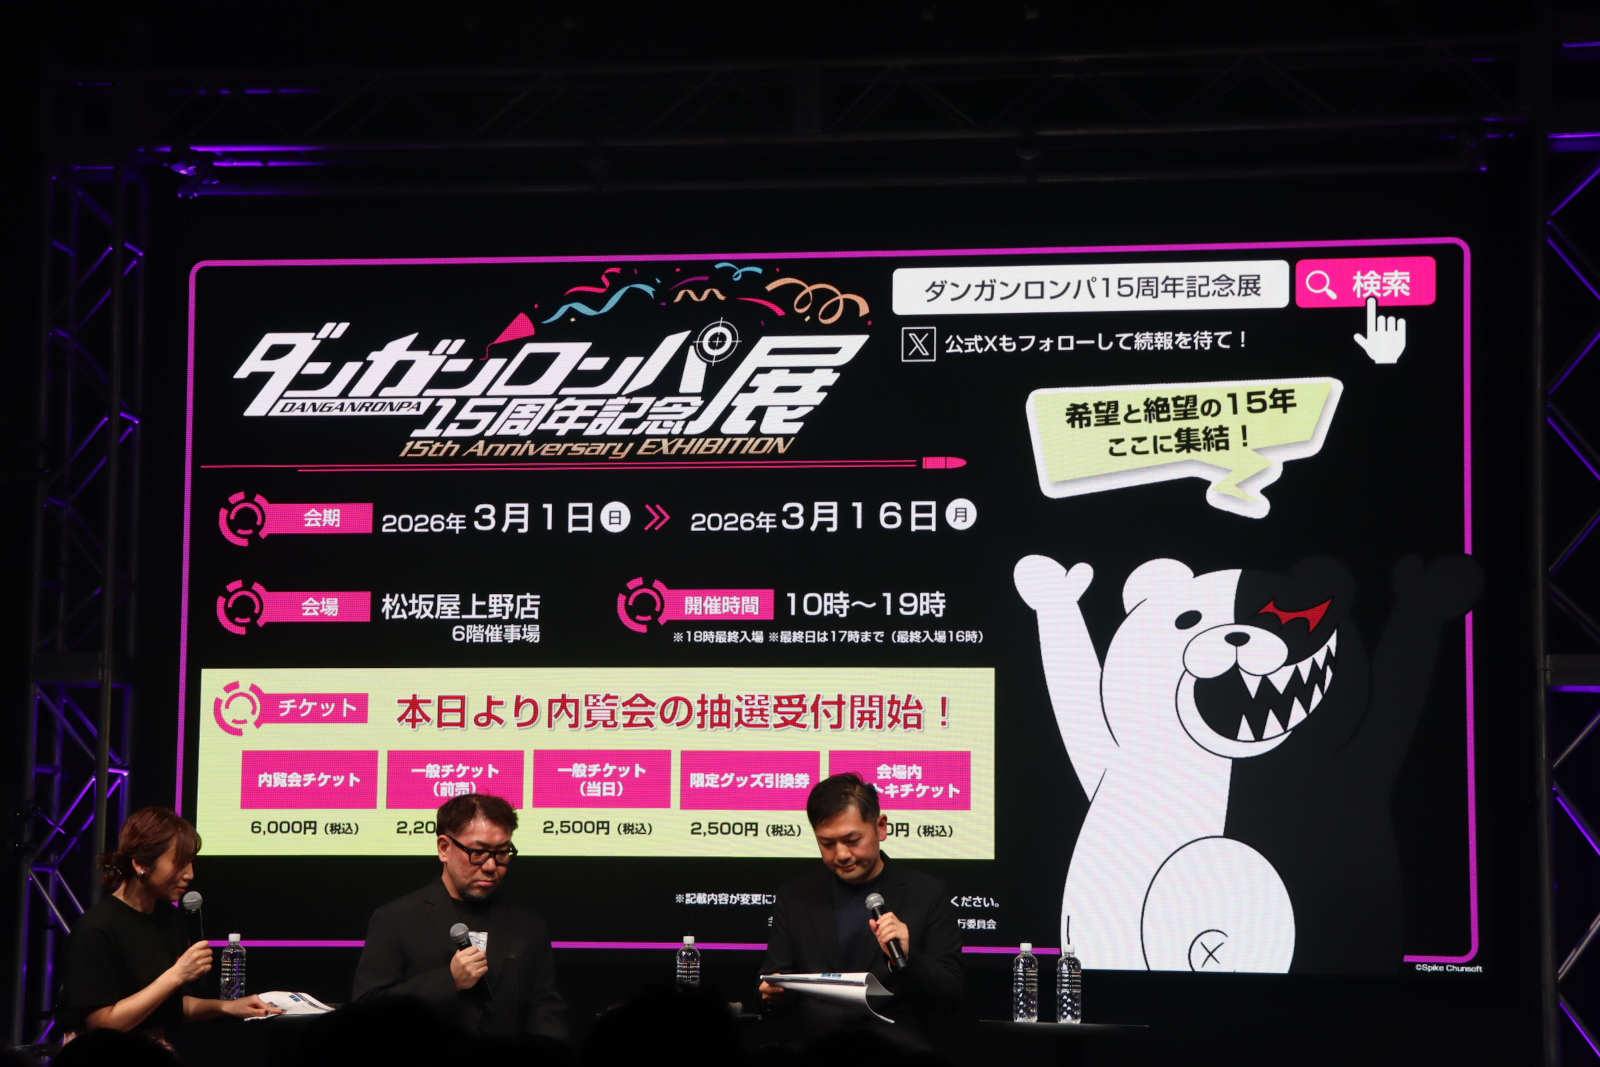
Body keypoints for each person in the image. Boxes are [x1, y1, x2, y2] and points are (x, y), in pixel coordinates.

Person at [759, 773, 963, 1048]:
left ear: (881, 827)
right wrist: (774, 996)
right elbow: (774, 988)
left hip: (895, 1052)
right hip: (815, 1049)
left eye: (853, 840)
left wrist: (908, 957)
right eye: (827, 844)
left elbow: (951, 995)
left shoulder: (927, 894)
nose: (841, 854)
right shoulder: (795, 897)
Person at [352, 793, 568, 1041]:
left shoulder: (529, 927)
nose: (491, 866)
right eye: (478, 852)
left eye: (502, 853)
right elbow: (365, 1009)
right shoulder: (395, 919)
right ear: (444, 848)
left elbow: (545, 1009)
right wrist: (448, 980)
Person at [57, 807, 282, 1042]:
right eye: (180, 863)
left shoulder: (169, 917)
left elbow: (170, 1006)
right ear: (140, 864)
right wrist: (176, 974)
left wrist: (227, 1007)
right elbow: (102, 1025)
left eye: (191, 863)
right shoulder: (96, 929)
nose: (190, 874)